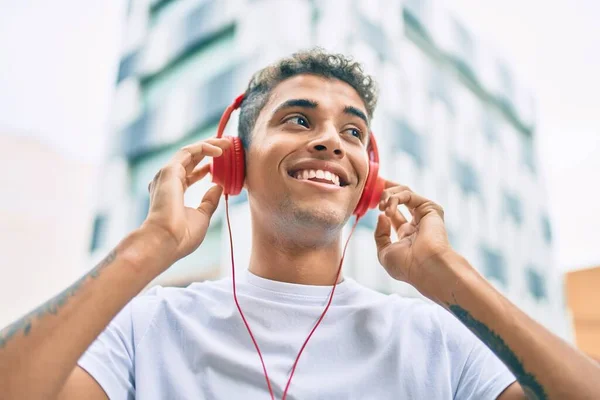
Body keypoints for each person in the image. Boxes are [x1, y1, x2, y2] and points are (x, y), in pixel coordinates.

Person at [1, 49, 599, 400]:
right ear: (233, 164)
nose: (330, 142)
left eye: (354, 132)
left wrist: (452, 277)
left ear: (368, 179)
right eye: (297, 119)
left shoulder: (435, 339)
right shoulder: (144, 327)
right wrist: (146, 250)